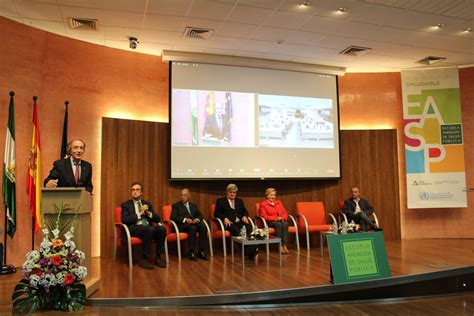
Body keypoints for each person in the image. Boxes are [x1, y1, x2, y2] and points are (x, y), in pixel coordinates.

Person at [121, 182, 166, 269]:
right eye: (133, 190)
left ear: (141, 193)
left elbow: (157, 218)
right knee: (149, 229)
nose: (135, 192)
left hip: (148, 228)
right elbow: (124, 219)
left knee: (162, 229)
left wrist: (148, 213)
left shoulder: (147, 204)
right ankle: (144, 259)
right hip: (134, 228)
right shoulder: (126, 205)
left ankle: (158, 257)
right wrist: (139, 214)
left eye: (137, 190)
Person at [214, 184, 258, 260]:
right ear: (227, 192)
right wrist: (224, 218)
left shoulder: (239, 201)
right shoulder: (220, 201)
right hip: (229, 223)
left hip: (240, 222)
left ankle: (249, 250)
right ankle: (251, 250)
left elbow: (245, 211)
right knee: (237, 231)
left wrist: (245, 216)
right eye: (230, 192)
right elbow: (216, 213)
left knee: (249, 228)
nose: (232, 194)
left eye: (234, 192)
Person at [171, 188, 209, 261]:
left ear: (188, 196)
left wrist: (197, 219)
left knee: (203, 227)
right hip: (182, 226)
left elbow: (200, 215)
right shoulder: (176, 205)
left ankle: (201, 251)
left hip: (193, 224)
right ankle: (191, 251)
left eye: (185, 195)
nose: (183, 197)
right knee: (193, 228)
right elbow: (173, 217)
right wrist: (185, 220)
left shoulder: (193, 205)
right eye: (181, 195)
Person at [259, 188, 290, 254]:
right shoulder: (263, 204)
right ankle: (279, 245)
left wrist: (283, 218)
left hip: (280, 221)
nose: (273, 197)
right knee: (278, 224)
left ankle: (284, 245)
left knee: (285, 224)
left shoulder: (278, 202)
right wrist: (276, 218)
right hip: (270, 222)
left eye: (274, 195)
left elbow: (285, 213)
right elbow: (264, 216)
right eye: (271, 195)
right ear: (267, 195)